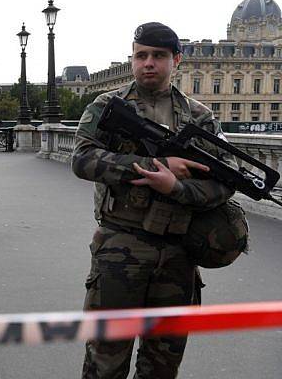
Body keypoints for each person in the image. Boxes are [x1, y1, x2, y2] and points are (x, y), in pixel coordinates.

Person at [71, 22, 237, 378]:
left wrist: (174, 188)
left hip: (178, 252)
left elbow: (227, 181)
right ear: (131, 59)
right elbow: (82, 159)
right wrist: (152, 167)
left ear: (176, 60)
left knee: (163, 364)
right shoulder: (107, 105)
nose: (148, 63)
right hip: (120, 245)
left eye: (158, 56)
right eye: (140, 55)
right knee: (105, 360)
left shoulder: (199, 116)